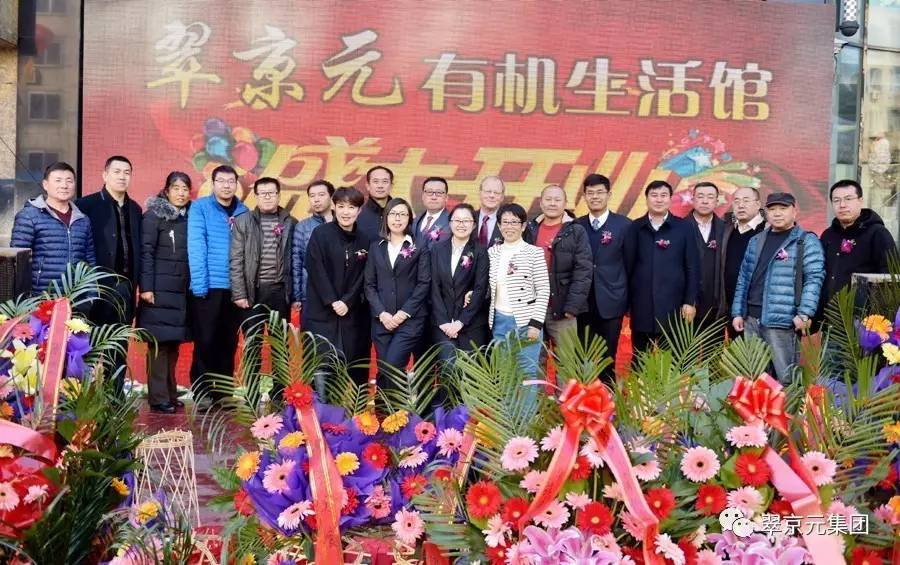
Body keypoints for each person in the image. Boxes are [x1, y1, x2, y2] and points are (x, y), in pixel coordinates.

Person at [732, 192, 825, 382]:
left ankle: (790, 403)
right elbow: (744, 278)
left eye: (783, 208)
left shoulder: (806, 241)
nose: (777, 213)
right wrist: (738, 312)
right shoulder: (756, 240)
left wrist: (804, 313)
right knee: (755, 377)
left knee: (786, 377)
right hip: (751, 318)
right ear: (766, 213)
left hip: (783, 320)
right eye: (772, 209)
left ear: (794, 211)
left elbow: (814, 279)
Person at [77, 155, 143, 388]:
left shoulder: (135, 209)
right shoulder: (86, 205)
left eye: (127, 172)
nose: (122, 176)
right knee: (88, 346)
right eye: (117, 171)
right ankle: (86, 396)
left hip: (125, 288)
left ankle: (115, 396)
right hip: (96, 288)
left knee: (119, 346)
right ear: (105, 175)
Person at [230, 177, 298, 395]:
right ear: (256, 196)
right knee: (252, 344)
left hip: (280, 292)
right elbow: (235, 260)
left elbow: (295, 261)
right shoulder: (243, 221)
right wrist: (239, 294)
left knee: (280, 345)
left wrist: (294, 294)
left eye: (272, 193)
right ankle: (251, 393)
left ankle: (279, 394)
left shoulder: (290, 222)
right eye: (263, 193)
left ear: (279, 195)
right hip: (253, 292)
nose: (268, 197)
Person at [187, 165, 249, 403]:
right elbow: (196, 246)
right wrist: (200, 285)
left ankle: (223, 393)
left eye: (231, 181)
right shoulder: (200, 207)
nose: (226, 185)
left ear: (236, 184)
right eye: (221, 181)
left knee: (228, 342)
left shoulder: (244, 211)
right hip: (208, 286)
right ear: (213, 184)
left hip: (235, 288)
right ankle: (202, 392)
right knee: (205, 340)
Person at [303, 187, 372, 388]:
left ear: (359, 210)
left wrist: (347, 301)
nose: (346, 212)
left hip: (352, 314)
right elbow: (315, 268)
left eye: (351, 207)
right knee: (322, 364)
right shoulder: (321, 234)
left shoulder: (366, 239)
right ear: (334, 207)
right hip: (322, 311)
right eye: (341, 206)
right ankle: (321, 406)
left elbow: (365, 275)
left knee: (353, 364)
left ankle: (353, 406)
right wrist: (333, 300)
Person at [137, 172, 192, 413]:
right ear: (167, 191)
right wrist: (146, 287)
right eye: (176, 188)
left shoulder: (189, 218)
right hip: (157, 291)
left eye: (185, 189)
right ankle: (158, 398)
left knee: (172, 344)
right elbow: (146, 253)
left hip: (180, 291)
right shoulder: (153, 216)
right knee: (158, 346)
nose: (181, 193)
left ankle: (169, 392)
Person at [624, 180, 699, 352]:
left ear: (670, 199)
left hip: (674, 306)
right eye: (654, 195)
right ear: (646, 199)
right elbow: (628, 266)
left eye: (663, 195)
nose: (659, 199)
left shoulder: (684, 227)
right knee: (640, 358)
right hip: (642, 305)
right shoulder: (635, 227)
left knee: (673, 359)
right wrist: (627, 303)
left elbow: (692, 267)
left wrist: (690, 301)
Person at [364, 198, 432, 381]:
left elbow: (423, 283)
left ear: (409, 218)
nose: (397, 218)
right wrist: (382, 313)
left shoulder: (419, 246)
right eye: (393, 214)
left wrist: (403, 313)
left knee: (392, 367)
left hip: (410, 320)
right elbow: (369, 284)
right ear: (386, 217)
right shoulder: (376, 247)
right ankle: (385, 402)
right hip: (382, 320)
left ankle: (396, 402)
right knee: (384, 369)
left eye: (403, 214)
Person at [488, 203, 550, 397]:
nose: (510, 226)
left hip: (525, 322)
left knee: (527, 373)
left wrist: (536, 324)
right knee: (504, 373)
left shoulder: (534, 252)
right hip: (499, 321)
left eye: (514, 222)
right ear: (499, 226)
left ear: (523, 226)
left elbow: (543, 289)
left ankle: (527, 416)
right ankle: (509, 415)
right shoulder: (492, 253)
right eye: (505, 222)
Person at [525, 185, 592, 361]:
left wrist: (572, 307)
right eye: (548, 199)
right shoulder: (530, 229)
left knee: (567, 363)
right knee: (534, 362)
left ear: (565, 203)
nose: (552, 203)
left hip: (562, 309)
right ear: (541, 203)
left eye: (557, 200)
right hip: (533, 309)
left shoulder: (575, 230)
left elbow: (583, 270)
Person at [817, 179, 897, 324]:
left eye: (848, 199)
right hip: (830, 318)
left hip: (865, 321)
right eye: (836, 200)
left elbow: (891, 279)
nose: (842, 205)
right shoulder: (828, 235)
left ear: (860, 201)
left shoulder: (877, 233)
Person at [575, 174, 631, 381]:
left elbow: (631, 264)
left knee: (608, 357)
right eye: (590, 193)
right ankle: (582, 397)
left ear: (609, 195)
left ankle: (607, 397)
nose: (595, 197)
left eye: (600, 192)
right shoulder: (576, 225)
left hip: (612, 299)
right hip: (582, 303)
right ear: (584, 196)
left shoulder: (624, 225)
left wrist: (628, 301)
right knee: (581, 357)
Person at [11, 162, 96, 294]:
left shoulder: (83, 220)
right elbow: (17, 261)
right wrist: (24, 299)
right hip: (41, 296)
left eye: (69, 181)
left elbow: (90, 261)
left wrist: (90, 296)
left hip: (75, 296)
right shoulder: (29, 216)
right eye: (58, 180)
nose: (64, 185)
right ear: (45, 185)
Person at [430, 203, 490, 361]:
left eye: (466, 221)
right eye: (457, 220)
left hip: (471, 323)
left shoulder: (480, 251)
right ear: (450, 223)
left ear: (474, 225)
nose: (461, 225)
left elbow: (480, 288)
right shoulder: (437, 249)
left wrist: (461, 322)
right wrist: (443, 321)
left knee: (470, 371)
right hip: (442, 323)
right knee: (448, 369)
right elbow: (434, 287)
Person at [718, 187, 765, 339]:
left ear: (758, 204)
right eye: (736, 201)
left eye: (746, 200)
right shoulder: (726, 230)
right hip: (731, 308)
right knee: (737, 352)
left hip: (758, 310)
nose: (741, 205)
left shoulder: (768, 230)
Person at [685, 182, 726, 329]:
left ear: (716, 201)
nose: (705, 201)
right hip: (686, 305)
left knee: (714, 343)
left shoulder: (725, 229)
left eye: (710, 197)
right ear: (693, 199)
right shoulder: (679, 227)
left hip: (716, 306)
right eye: (700, 196)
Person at [291, 179, 335, 309]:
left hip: (339, 294)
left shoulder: (343, 223)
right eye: (312, 196)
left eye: (321, 195)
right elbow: (297, 262)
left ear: (331, 197)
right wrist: (297, 296)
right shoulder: (302, 227)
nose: (316, 199)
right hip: (310, 293)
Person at [356, 165, 393, 242]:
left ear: (391, 186)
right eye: (376, 181)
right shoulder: (357, 215)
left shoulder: (401, 213)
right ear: (368, 186)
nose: (380, 186)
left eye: (385, 181)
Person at [414, 177, 451, 249]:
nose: (434, 197)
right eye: (429, 192)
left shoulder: (452, 222)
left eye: (439, 192)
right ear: (423, 196)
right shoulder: (415, 221)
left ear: (446, 197)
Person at [474, 176, 506, 247]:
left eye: (496, 193)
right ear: (480, 193)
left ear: (502, 197)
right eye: (488, 191)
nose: (492, 195)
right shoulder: (469, 218)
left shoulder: (509, 223)